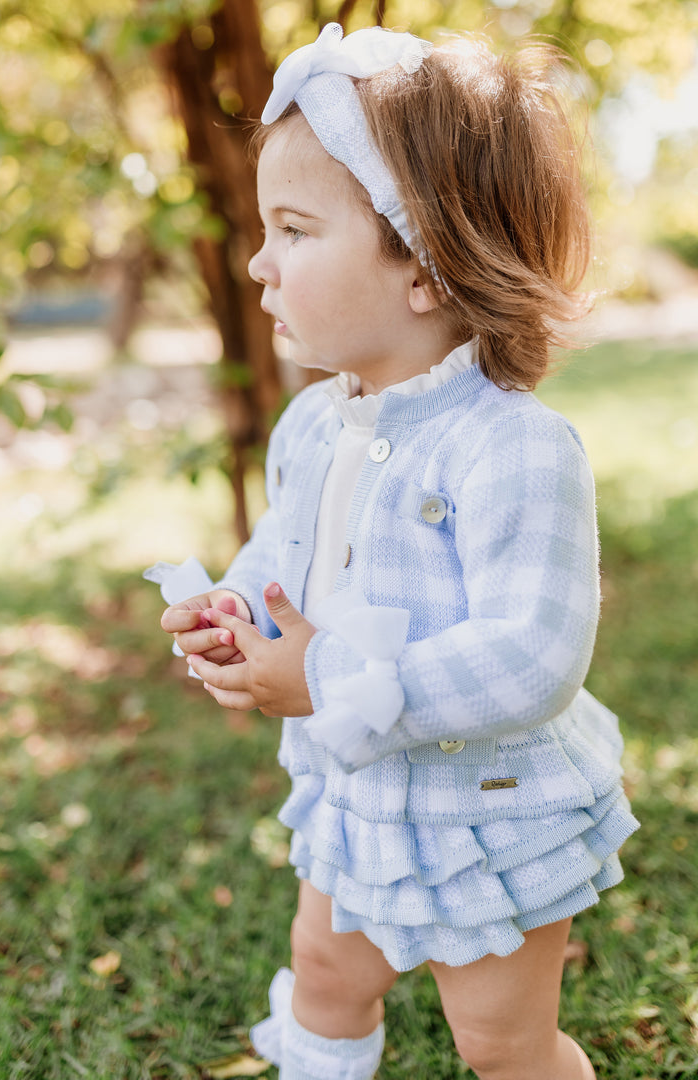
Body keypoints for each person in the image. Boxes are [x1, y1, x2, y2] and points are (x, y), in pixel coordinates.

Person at [155, 23, 639, 1080]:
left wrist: (325, 672)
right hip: (359, 796)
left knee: (502, 1044)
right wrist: (238, 613)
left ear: (423, 266)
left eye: (293, 229)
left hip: (488, 816)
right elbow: (282, 552)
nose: (257, 263)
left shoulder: (514, 447)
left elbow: (531, 657)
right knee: (324, 977)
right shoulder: (318, 425)